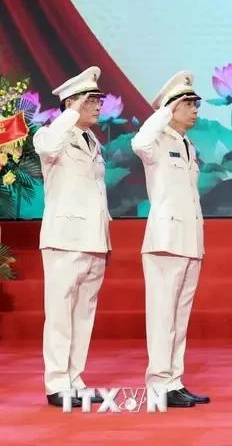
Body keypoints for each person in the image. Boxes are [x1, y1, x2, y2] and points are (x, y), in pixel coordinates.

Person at [33, 66, 110, 408]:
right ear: (72, 103)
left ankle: (75, 378)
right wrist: (68, 115)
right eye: (91, 100)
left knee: (83, 313)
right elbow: (48, 145)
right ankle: (56, 382)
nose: (99, 106)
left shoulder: (92, 140)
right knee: (61, 312)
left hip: (93, 238)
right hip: (64, 238)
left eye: (98, 99)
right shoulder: (52, 136)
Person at [131, 71, 208, 408]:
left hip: (189, 239)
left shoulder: (186, 144)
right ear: (171, 107)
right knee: (163, 313)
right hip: (165, 239)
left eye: (195, 103)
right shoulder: (156, 141)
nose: (195, 110)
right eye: (187, 103)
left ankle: (173, 381)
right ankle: (158, 383)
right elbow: (138, 142)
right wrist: (163, 110)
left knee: (179, 315)